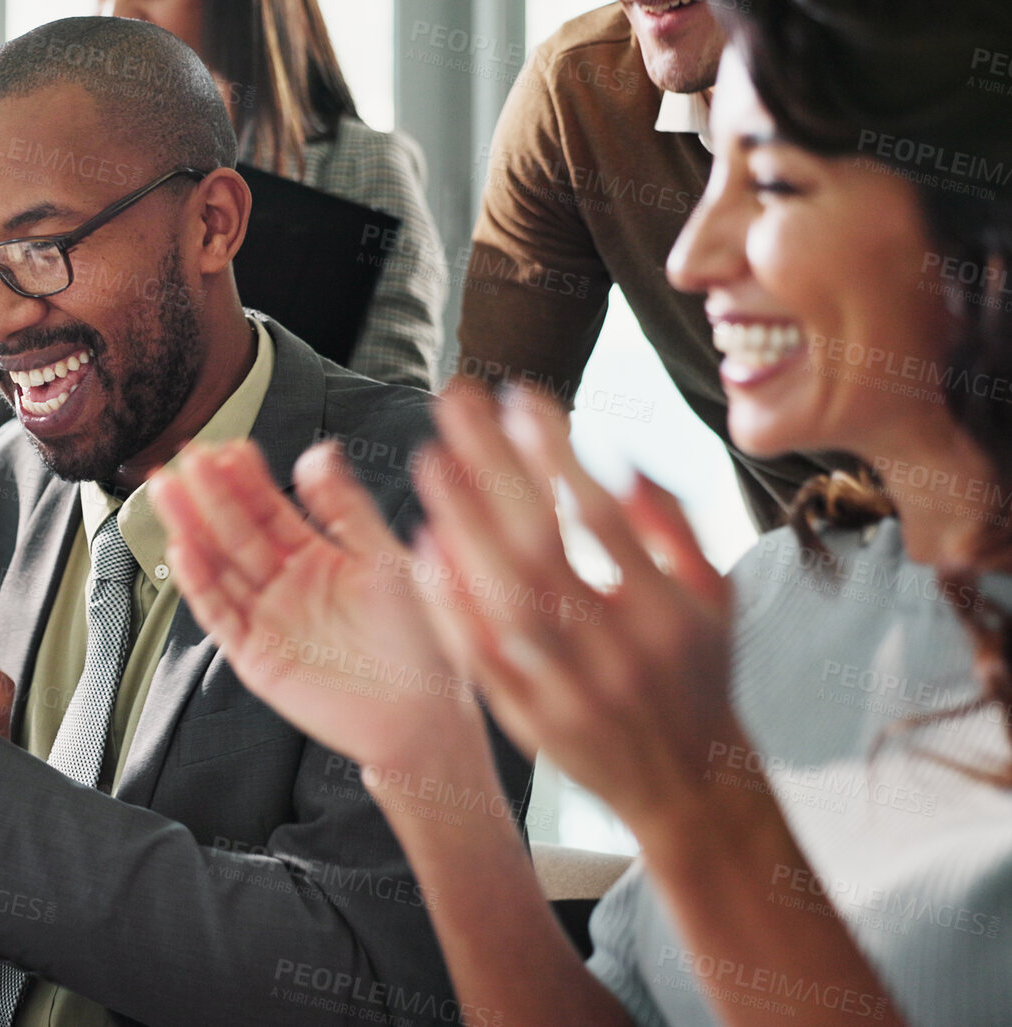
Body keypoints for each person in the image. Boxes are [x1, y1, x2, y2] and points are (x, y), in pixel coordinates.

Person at [0, 17, 528, 1026]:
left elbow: (369, 972)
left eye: (39, 247)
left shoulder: (420, 492)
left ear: (213, 224)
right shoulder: (10, 482)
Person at [157, 1, 1012, 1023]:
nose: (691, 260)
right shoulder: (781, 598)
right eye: (713, 166)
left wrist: (698, 812)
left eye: (774, 181)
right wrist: (431, 764)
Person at [0, 0, 448, 502]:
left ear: (216, 220)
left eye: (44, 244)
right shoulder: (12, 211)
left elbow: (387, 434)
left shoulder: (360, 168)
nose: (121, 7)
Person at [456, 0, 859, 531]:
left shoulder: (941, 84)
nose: (687, 265)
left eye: (775, 181)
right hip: (815, 579)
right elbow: (494, 439)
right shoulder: (577, 91)